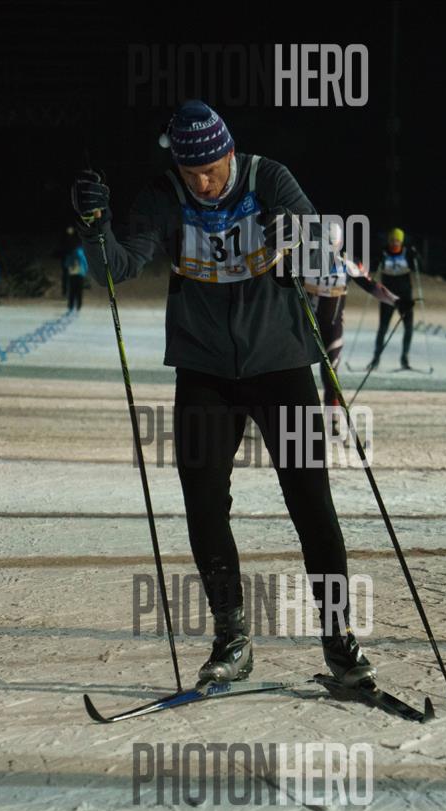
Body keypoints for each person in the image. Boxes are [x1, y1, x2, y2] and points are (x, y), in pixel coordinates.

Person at [70, 100, 374, 688]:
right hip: (204, 371)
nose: (203, 184)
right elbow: (117, 268)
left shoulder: (268, 178)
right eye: (192, 174)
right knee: (205, 503)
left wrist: (298, 236)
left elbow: (323, 255)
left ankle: (339, 641)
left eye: (211, 171)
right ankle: (232, 636)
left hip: (282, 367)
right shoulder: (163, 196)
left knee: (311, 502)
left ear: (230, 153)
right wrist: (95, 227)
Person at [303, 220, 397, 417]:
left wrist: (397, 302)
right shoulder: (305, 260)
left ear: (340, 243)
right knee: (296, 373)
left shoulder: (347, 262)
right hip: (305, 328)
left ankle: (333, 419)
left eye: (333, 246)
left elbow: (372, 286)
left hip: (332, 328)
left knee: (330, 374)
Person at [370, 227, 420, 370]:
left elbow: (418, 267)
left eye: (397, 240)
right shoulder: (383, 252)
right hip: (387, 296)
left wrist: (416, 257)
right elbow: (373, 267)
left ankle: (405, 358)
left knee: (408, 327)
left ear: (401, 241)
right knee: (383, 328)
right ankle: (376, 359)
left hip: (405, 296)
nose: (394, 243)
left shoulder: (407, 253)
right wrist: (377, 259)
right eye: (392, 240)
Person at [62, 229, 88, 312]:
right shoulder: (82, 254)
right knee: (79, 291)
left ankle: (71, 306)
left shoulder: (72, 253)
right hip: (80, 274)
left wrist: (68, 267)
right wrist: (85, 272)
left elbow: (67, 263)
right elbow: (85, 264)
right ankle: (78, 306)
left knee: (72, 291)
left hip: (73, 274)